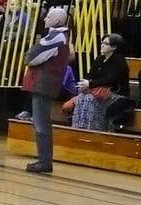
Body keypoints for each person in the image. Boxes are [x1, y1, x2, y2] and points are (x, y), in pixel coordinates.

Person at [21, 6, 69, 174]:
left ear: (57, 21)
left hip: (43, 84)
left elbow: (31, 56)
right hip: (44, 84)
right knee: (40, 123)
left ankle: (44, 162)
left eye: (48, 16)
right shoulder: (57, 37)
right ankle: (43, 160)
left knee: (41, 124)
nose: (44, 19)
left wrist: (30, 55)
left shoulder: (56, 37)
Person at [69, 33, 127, 131]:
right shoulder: (100, 58)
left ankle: (94, 129)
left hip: (115, 93)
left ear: (114, 47)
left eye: (105, 43)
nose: (102, 45)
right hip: (99, 91)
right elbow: (90, 74)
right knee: (82, 97)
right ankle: (78, 128)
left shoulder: (119, 60)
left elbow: (110, 79)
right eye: (102, 43)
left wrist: (90, 84)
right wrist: (84, 83)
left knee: (89, 99)